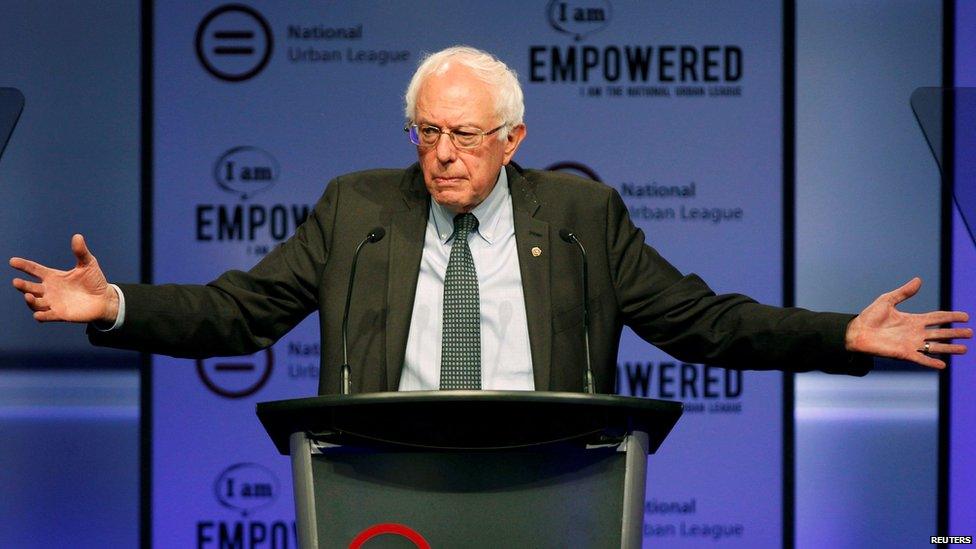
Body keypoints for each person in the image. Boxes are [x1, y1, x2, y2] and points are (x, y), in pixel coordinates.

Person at [8, 46, 972, 394]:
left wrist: (840, 333)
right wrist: (113, 307)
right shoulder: (358, 208)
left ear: (512, 138)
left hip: (554, 468)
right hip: (380, 468)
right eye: (427, 131)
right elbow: (241, 311)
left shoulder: (584, 214)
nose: (442, 154)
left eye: (465, 134)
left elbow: (701, 320)